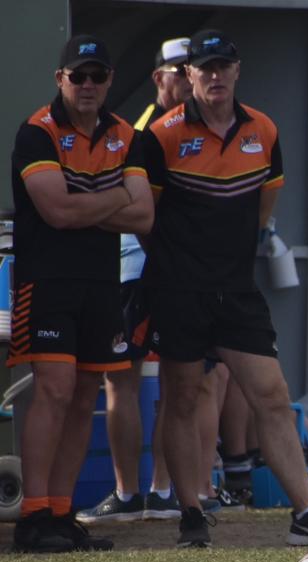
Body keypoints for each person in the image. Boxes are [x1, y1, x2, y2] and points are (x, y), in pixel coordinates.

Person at [142, 30, 308, 548]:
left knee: (271, 393)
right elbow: (145, 218)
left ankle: (307, 513)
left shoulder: (262, 130)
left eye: (224, 65)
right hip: (179, 289)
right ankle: (191, 512)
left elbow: (264, 208)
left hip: (236, 289)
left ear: (237, 70)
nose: (216, 75)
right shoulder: (162, 135)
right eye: (205, 67)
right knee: (181, 396)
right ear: (189, 75)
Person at [8, 34, 154, 552]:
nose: (88, 85)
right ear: (60, 80)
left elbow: (145, 215)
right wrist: (114, 193)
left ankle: (62, 514)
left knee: (87, 393)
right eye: (78, 76)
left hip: (100, 283)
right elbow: (56, 212)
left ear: (110, 80)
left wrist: (86, 198)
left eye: (97, 75)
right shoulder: (37, 132)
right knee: (54, 388)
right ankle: (33, 516)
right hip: (45, 281)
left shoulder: (123, 134)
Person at [77, 37, 192, 525]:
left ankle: (164, 491)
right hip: (131, 268)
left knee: (178, 382)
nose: (186, 79)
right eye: (177, 71)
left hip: (174, 273)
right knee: (120, 379)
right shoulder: (138, 131)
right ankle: (129, 493)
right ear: (158, 77)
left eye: (192, 70)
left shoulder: (204, 131)